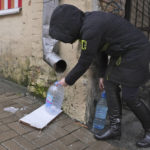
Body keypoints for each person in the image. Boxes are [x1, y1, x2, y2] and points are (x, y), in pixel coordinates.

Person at [49, 4, 150, 148]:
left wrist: (67, 80)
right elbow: (100, 51)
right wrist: (102, 74)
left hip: (136, 51)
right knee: (109, 83)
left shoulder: (91, 28)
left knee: (130, 96)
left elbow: (84, 62)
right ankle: (115, 129)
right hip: (122, 51)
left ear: (68, 26)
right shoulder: (89, 25)